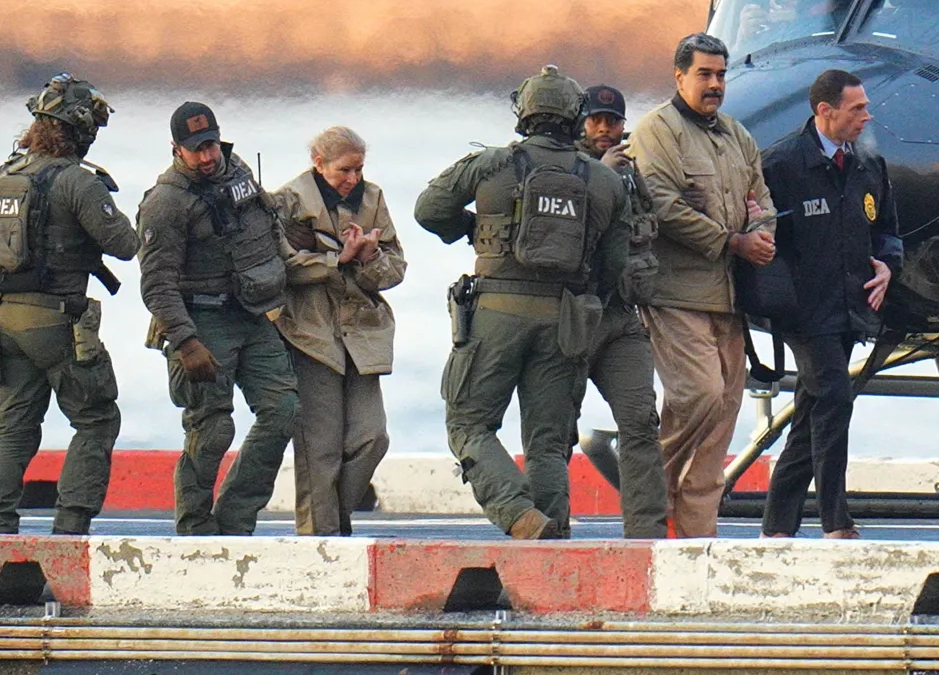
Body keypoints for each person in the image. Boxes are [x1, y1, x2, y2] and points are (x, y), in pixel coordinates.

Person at [415, 65, 630, 540]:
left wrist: (476, 231)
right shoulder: (605, 181)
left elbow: (428, 209)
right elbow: (616, 265)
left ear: (524, 112)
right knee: (549, 444)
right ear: (575, 116)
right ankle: (551, 536)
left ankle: (517, 512)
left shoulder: (491, 165)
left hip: (495, 312)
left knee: (468, 424)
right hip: (565, 318)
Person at [630, 33, 776, 538]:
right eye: (704, 75)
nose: (715, 85)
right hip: (675, 292)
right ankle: (650, 499)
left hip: (730, 297)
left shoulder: (737, 136)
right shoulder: (657, 132)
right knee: (700, 395)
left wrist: (760, 235)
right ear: (679, 76)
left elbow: (764, 202)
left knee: (723, 417)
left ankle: (697, 539)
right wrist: (732, 240)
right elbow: (663, 205)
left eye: (720, 75)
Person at [137, 102, 298, 536]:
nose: (207, 157)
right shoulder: (166, 203)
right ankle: (194, 528)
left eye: (210, 145)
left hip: (252, 314)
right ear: (176, 150)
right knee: (211, 429)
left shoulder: (237, 172)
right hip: (201, 321)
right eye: (196, 150)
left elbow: (268, 229)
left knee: (283, 411)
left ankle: (235, 521)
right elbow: (156, 285)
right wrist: (186, 342)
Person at [759, 69, 902, 540]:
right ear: (825, 111)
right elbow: (765, 240)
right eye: (857, 108)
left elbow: (885, 230)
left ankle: (777, 526)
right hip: (803, 312)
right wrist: (780, 299)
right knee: (836, 399)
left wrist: (886, 265)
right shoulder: (781, 165)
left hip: (848, 309)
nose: (867, 115)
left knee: (812, 411)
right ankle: (836, 522)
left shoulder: (868, 163)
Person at [0, 73, 139, 535]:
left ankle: (1, 522)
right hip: (56, 321)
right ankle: (72, 524)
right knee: (97, 416)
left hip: (5, 319)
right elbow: (124, 244)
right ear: (78, 130)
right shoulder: (77, 182)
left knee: (15, 420)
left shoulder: (7, 175)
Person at [273, 126, 406, 536]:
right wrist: (336, 259)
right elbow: (280, 267)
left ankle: (335, 521)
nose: (353, 179)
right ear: (319, 162)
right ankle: (320, 538)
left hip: (362, 333)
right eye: (344, 170)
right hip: (309, 333)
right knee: (320, 449)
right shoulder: (288, 201)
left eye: (359, 170)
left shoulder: (373, 198)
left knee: (373, 438)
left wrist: (367, 257)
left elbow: (396, 266)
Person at [571, 84, 668, 539]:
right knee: (553, 426)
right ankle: (546, 529)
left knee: (640, 421)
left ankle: (647, 533)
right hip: (572, 315)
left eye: (614, 120)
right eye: (596, 120)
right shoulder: (565, 169)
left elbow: (646, 228)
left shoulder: (630, 172)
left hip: (621, 314)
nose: (606, 129)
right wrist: (600, 177)